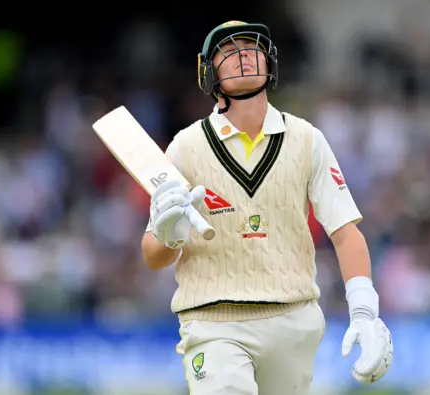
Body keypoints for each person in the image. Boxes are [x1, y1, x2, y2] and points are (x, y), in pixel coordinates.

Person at [141, 20, 393, 395]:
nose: (242, 55)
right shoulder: (185, 147)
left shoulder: (308, 139)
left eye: (250, 47)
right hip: (214, 320)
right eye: (228, 50)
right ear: (208, 71)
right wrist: (169, 236)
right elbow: (153, 255)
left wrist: (364, 310)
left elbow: (345, 231)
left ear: (269, 61)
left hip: (292, 319)